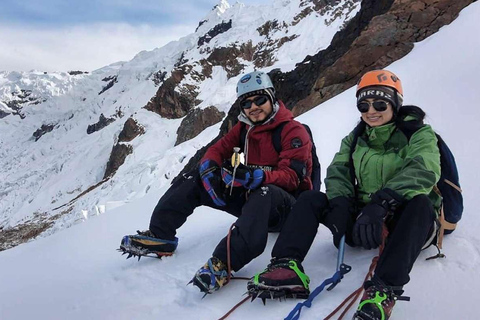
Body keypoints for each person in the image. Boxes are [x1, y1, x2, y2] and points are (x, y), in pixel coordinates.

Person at [248, 70, 441, 320]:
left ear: (395, 103)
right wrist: (340, 203)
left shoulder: (419, 133)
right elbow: (339, 170)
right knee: (311, 198)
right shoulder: (356, 137)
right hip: (364, 221)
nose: (371, 110)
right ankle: (286, 264)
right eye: (364, 104)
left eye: (380, 103)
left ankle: (383, 291)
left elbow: (423, 168)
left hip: (406, 220)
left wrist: (383, 202)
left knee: (421, 203)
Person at [119, 70, 314, 295]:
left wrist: (256, 177)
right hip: (253, 202)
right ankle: (161, 235)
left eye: (259, 99)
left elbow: (292, 177)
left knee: (264, 192)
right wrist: (209, 168)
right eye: (246, 103)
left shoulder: (293, 131)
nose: (253, 107)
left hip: (286, 209)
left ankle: (224, 264)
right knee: (194, 177)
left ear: (271, 97)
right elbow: (217, 149)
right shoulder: (244, 128)